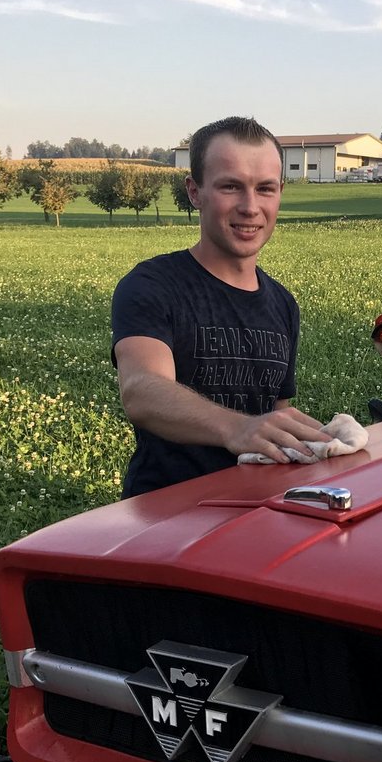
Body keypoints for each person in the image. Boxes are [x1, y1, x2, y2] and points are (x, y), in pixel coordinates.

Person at [111, 116, 325, 498]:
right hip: (166, 517)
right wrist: (237, 428)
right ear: (195, 192)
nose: (250, 206)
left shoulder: (283, 304)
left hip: (254, 513)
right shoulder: (153, 285)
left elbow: (276, 413)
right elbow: (142, 390)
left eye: (265, 189)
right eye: (231, 186)